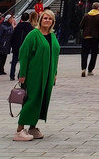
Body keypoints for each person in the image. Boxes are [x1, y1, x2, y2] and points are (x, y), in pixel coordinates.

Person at [15, 8, 60, 142]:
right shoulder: (33, 34)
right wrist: (22, 74)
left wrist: (55, 73)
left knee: (42, 99)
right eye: (45, 18)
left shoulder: (52, 35)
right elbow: (24, 54)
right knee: (32, 100)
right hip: (34, 74)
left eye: (50, 18)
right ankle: (19, 130)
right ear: (40, 20)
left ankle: (33, 127)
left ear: (53, 21)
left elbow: (55, 55)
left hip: (48, 74)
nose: (47, 20)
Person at [79, 2, 99, 76]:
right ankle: (90, 70)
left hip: (86, 37)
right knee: (94, 54)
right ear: (98, 8)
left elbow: (81, 25)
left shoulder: (86, 15)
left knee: (84, 53)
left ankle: (83, 68)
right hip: (95, 38)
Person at [10, 11, 33, 81]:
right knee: (23, 62)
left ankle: (12, 75)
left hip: (16, 46)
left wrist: (12, 45)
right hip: (25, 47)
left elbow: (12, 37)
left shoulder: (17, 27)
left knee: (14, 61)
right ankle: (20, 74)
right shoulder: (30, 27)